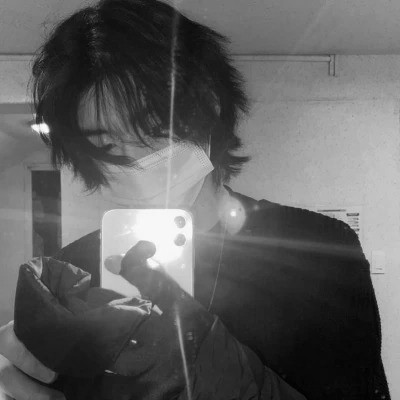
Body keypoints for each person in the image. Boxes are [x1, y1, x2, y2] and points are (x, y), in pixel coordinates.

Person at [0, 0, 390, 399]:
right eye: (108, 145)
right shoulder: (75, 273)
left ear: (208, 107)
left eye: (153, 128)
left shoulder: (320, 250)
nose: (136, 159)